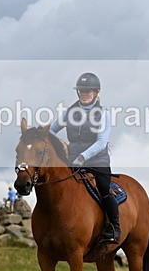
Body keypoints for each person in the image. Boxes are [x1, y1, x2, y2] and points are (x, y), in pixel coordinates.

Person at [50, 72, 118, 244]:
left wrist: (83, 156)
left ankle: (114, 227)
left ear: (96, 92)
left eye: (88, 91)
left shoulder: (103, 114)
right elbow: (50, 131)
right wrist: (60, 143)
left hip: (97, 161)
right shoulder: (69, 112)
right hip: (73, 161)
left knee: (104, 188)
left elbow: (101, 142)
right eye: (81, 91)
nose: (84, 94)